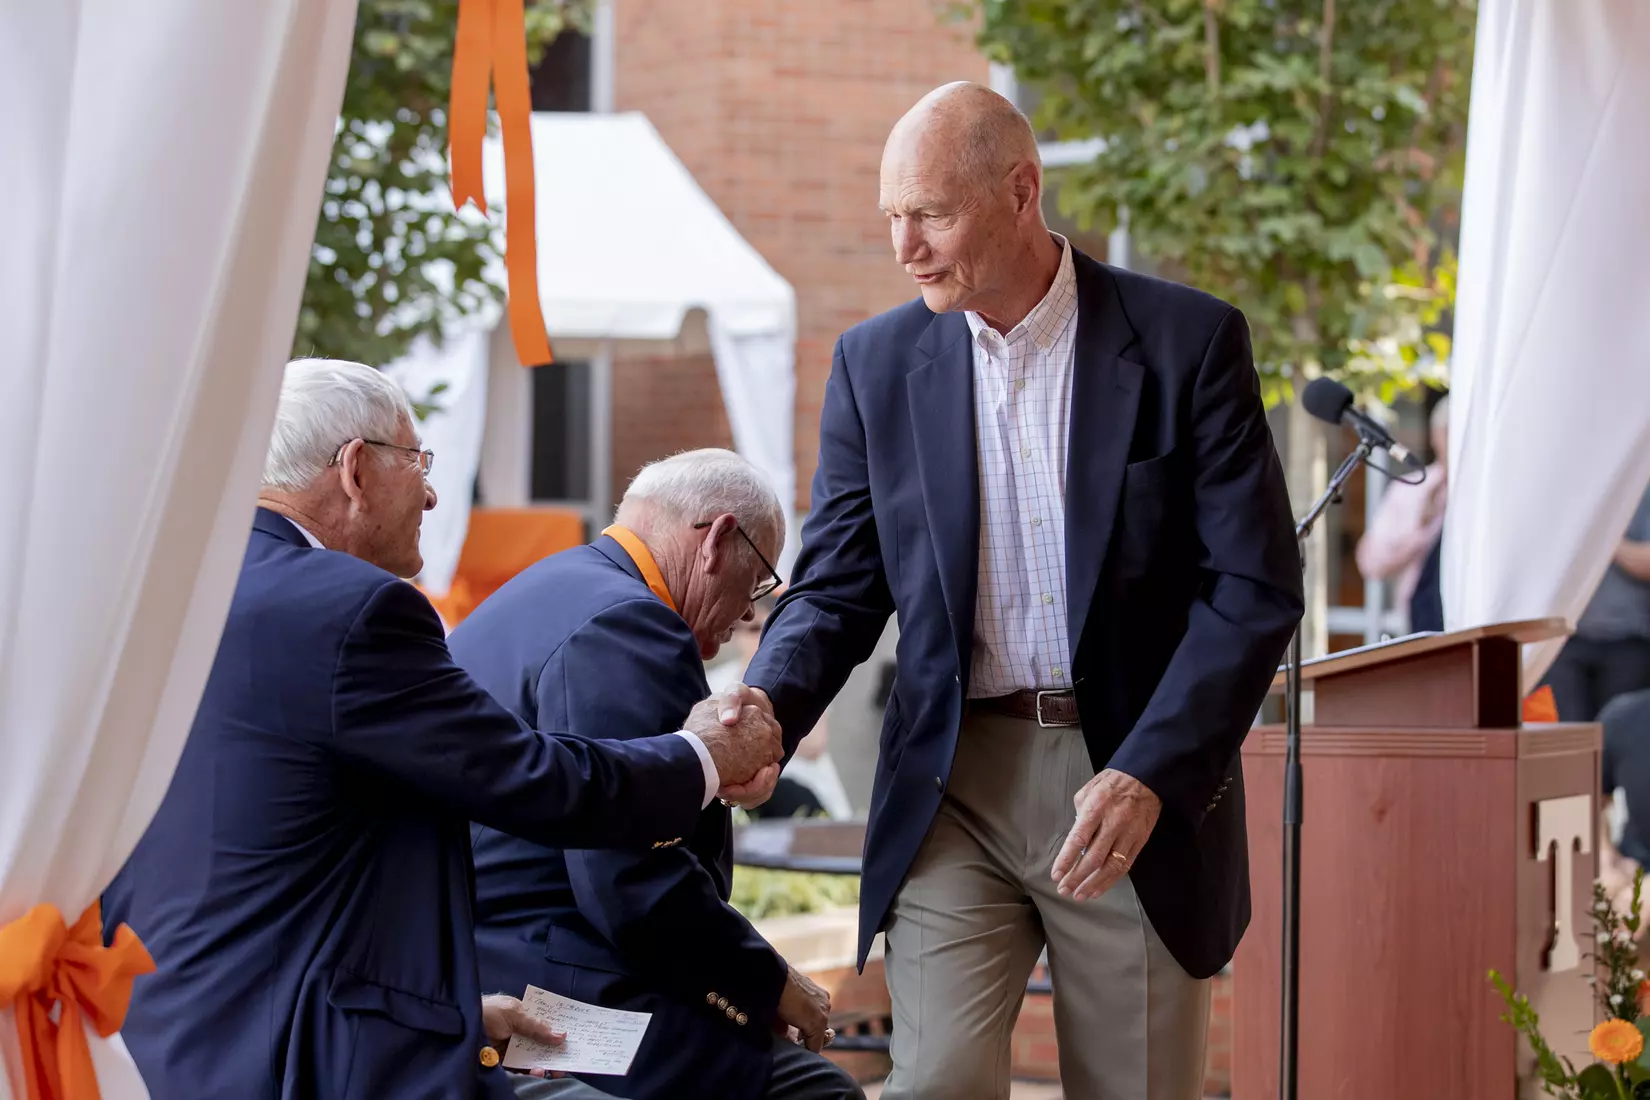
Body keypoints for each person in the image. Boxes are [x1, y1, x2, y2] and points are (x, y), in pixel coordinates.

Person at [740, 84, 1302, 1099]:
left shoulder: (1187, 342)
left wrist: (1151, 773)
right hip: (956, 778)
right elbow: (836, 588)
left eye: (931, 213)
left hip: (1130, 771)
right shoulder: (875, 364)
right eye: (891, 218)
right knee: (935, 1081)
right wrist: (765, 711)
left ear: (1021, 191)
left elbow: (1252, 586)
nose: (905, 246)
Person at [101, 361, 782, 1100]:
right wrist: (702, 756)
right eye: (416, 462)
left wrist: (457, 1015)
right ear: (356, 470)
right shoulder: (353, 609)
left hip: (165, 1031)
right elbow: (534, 780)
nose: (430, 492)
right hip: (315, 1056)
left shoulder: (169, 589)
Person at [449, 450, 863, 1100]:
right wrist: (765, 980)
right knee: (816, 1090)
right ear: (718, 541)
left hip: (481, 963)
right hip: (559, 987)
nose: (750, 618)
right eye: (756, 585)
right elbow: (631, 880)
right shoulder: (632, 623)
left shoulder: (549, 585)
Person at [709, 594, 854, 821]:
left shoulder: (801, 676)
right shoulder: (717, 682)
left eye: (768, 628)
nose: (759, 638)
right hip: (743, 809)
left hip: (806, 794)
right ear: (735, 633)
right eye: (753, 629)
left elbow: (814, 744)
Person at [1542, 479, 1650, 721]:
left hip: (1628, 640)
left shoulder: (1642, 484)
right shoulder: (1565, 486)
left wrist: (1605, 537)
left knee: (1618, 738)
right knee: (1565, 742)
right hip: (1563, 640)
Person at [1356, 395, 1450, 633]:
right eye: (1448, 432)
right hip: (1423, 627)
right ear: (1434, 436)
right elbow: (1371, 563)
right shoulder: (1413, 490)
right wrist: (1420, 526)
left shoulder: (1486, 492)